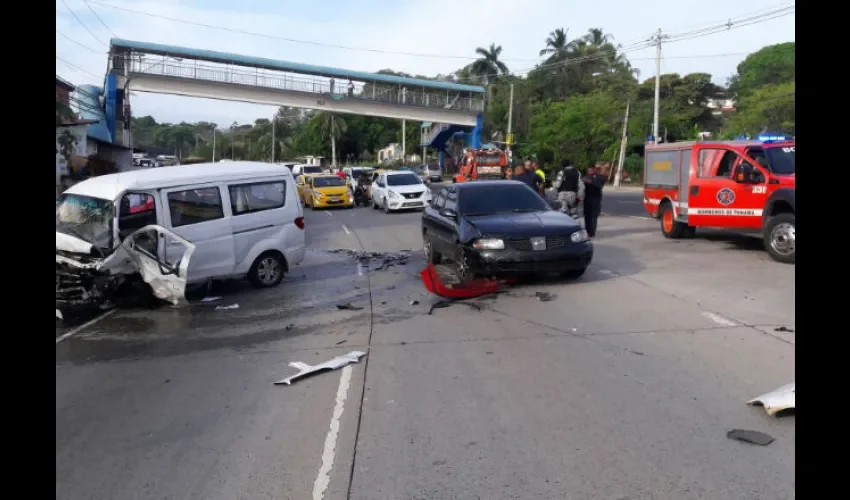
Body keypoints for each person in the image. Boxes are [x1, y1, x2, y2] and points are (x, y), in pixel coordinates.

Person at [583, 165, 607, 238]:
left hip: (596, 199)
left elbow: (600, 184)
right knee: (587, 216)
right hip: (587, 199)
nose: (589, 172)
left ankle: (592, 232)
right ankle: (587, 231)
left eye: (591, 170)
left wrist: (591, 182)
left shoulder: (599, 177)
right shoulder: (585, 177)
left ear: (594, 170)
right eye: (588, 170)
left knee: (594, 216)